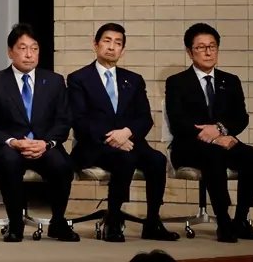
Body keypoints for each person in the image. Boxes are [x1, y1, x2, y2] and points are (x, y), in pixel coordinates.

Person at [68, 23, 179, 242]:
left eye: (118, 43)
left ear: (123, 50)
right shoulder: (78, 78)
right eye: (107, 41)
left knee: (157, 160)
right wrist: (113, 138)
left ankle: (152, 222)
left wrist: (126, 133)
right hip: (94, 145)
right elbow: (79, 120)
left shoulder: (134, 80)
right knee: (124, 158)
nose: (112, 47)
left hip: (130, 141)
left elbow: (145, 118)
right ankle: (114, 219)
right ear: (95, 44)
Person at [0, 23, 79, 242]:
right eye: (22, 48)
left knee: (62, 165)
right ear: (10, 52)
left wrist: (46, 143)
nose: (29, 54)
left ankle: (58, 222)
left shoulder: (54, 81)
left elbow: (63, 120)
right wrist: (12, 141)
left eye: (34, 48)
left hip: (44, 145)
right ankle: (15, 224)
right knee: (9, 163)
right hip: (8, 146)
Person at [165, 23, 253, 243]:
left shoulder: (231, 81)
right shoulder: (176, 82)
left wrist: (220, 130)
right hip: (188, 145)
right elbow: (178, 122)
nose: (208, 52)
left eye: (212, 46)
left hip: (223, 139)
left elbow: (241, 117)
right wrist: (211, 137)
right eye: (201, 47)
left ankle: (241, 219)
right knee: (213, 154)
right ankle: (223, 219)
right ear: (190, 52)